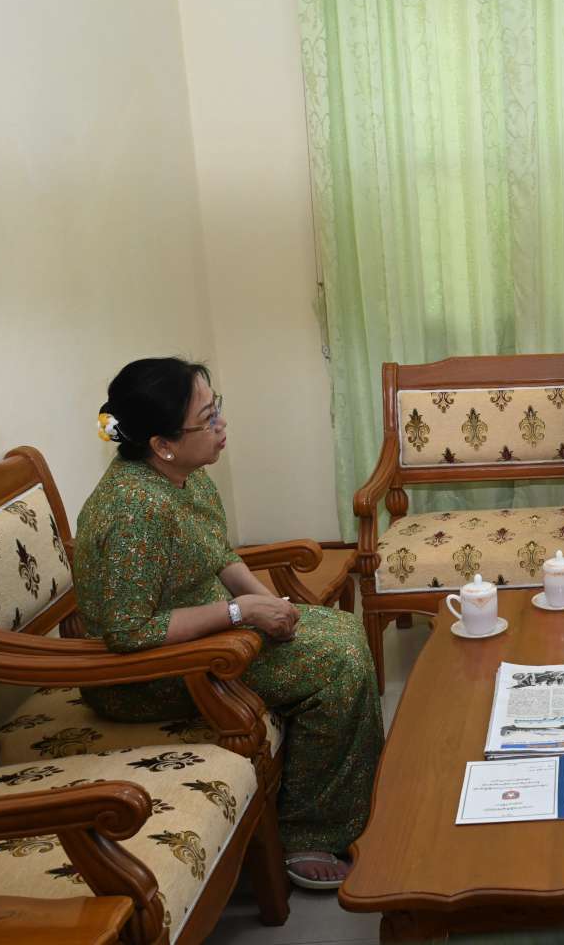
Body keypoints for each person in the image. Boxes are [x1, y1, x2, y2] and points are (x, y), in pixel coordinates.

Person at [74, 357, 382, 889]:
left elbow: (220, 555)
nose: (221, 425)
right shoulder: (134, 509)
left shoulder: (184, 478)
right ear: (163, 443)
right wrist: (242, 612)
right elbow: (128, 633)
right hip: (145, 675)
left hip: (211, 632)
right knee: (337, 664)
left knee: (343, 632)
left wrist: (271, 605)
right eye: (207, 418)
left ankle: (345, 803)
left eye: (216, 408)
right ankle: (305, 836)